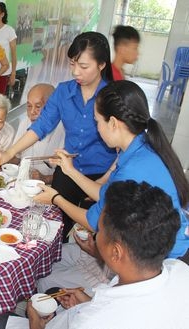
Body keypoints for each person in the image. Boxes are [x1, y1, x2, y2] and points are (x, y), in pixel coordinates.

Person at [35, 80, 189, 296]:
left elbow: (92, 219)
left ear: (114, 123)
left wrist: (55, 198)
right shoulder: (140, 146)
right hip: (157, 249)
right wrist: (69, 170)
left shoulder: (133, 168)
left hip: (161, 263)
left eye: (97, 121)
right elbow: (105, 194)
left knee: (47, 280)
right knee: (56, 262)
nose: (96, 128)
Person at [0, 32, 117, 240]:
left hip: (101, 174)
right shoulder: (64, 91)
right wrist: (10, 151)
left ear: (102, 64)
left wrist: (106, 178)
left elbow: (126, 143)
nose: (76, 72)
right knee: (55, 225)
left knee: (96, 232)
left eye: (83, 66)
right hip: (68, 170)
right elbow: (41, 125)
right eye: (72, 64)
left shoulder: (113, 96)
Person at [25, 181, 189, 329]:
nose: (96, 234)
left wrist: (35, 324)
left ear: (116, 252)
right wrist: (89, 302)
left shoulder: (94, 322)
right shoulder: (179, 270)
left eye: (100, 230)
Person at [11, 83, 64, 184]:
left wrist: (45, 178)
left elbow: (68, 174)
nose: (32, 112)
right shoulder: (25, 122)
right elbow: (17, 157)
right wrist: (3, 161)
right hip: (22, 181)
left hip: (49, 188)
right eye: (29, 106)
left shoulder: (63, 130)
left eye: (38, 106)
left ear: (52, 107)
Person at [0, 2, 17, 94]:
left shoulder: (9, 30)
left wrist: (13, 73)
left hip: (2, 73)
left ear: (2, 14)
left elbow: (13, 54)